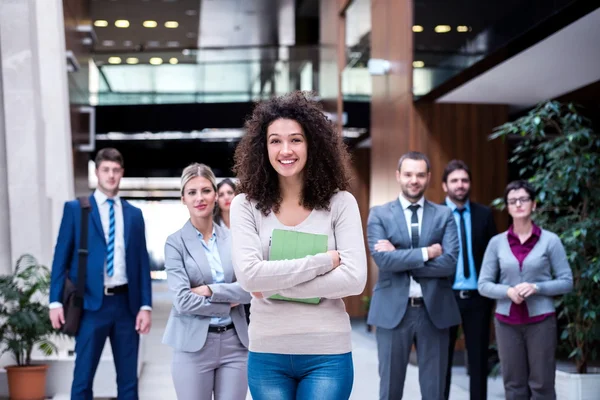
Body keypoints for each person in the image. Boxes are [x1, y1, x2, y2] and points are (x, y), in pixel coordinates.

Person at [230, 91, 367, 400]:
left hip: (327, 354)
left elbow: (354, 280)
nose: (285, 150)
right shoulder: (245, 206)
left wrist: (271, 285)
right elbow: (249, 277)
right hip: (268, 353)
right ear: (263, 148)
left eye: (296, 139)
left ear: (312, 144)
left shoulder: (341, 204)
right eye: (275, 141)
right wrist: (321, 263)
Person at [48, 147, 152, 400]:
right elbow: (60, 258)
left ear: (122, 173)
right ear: (97, 172)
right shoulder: (76, 210)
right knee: (82, 379)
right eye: (106, 170)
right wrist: (54, 301)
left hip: (126, 306)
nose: (111, 175)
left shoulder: (134, 215)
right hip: (91, 305)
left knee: (129, 382)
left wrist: (145, 306)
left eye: (116, 170)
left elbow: (141, 262)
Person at [367, 151, 460, 400]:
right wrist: (428, 252)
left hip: (435, 312)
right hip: (392, 312)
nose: (414, 180)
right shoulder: (379, 214)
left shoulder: (444, 215)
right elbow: (382, 260)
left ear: (428, 177)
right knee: (390, 390)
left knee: (435, 391)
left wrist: (401, 257)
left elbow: (449, 263)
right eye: (408, 174)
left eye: (420, 175)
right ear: (398, 176)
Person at [162, 163, 251, 400]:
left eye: (205, 190)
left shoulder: (235, 239)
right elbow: (183, 301)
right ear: (183, 199)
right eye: (192, 192)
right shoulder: (175, 243)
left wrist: (210, 290)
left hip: (235, 344)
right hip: (193, 346)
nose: (199, 198)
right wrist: (226, 302)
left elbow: (250, 288)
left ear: (215, 195)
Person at [478, 180, 573, 400]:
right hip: (506, 323)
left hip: (541, 322)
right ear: (508, 207)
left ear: (534, 205)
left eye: (523, 199)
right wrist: (507, 292)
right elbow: (483, 284)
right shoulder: (496, 243)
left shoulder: (551, 241)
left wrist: (537, 287)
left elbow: (566, 281)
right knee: (513, 385)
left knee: (542, 385)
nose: (518, 204)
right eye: (512, 201)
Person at [442, 160, 497, 400]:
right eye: (454, 180)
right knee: (442, 361)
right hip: (445, 297)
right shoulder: (435, 215)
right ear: (445, 186)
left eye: (464, 180)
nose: (460, 185)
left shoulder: (484, 215)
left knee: (478, 361)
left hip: (478, 298)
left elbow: (493, 255)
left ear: (470, 184)